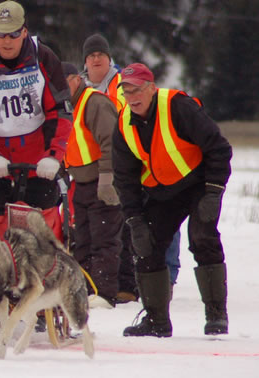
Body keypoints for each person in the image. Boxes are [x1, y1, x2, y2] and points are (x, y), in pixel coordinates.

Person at [113, 63, 232, 337]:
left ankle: (216, 315)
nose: (132, 96)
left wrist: (214, 191)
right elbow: (125, 178)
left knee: (202, 238)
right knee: (145, 244)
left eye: (137, 89)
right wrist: (134, 219)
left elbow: (219, 148)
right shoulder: (123, 125)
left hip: (200, 182)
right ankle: (156, 321)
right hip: (164, 191)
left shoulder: (179, 107)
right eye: (126, 90)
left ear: (152, 88)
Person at [0, 0, 72, 257]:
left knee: (45, 241)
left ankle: (43, 291)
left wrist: (53, 156)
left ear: (25, 32)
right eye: (1, 34)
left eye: (14, 34)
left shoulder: (45, 59)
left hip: (39, 166)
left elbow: (60, 111)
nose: (7, 41)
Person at [81, 33, 181, 303]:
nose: (96, 59)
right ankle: (134, 279)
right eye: (91, 56)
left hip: (139, 157)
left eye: (101, 54)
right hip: (106, 165)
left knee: (162, 216)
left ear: (109, 57)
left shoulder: (120, 84)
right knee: (124, 224)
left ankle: (167, 277)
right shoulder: (83, 90)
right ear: (85, 62)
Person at [62, 62, 122, 309]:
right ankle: (85, 290)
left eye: (64, 81)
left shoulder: (94, 102)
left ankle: (104, 293)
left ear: (77, 79)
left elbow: (112, 143)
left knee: (104, 238)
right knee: (82, 240)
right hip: (82, 183)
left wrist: (108, 180)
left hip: (102, 181)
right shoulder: (69, 106)